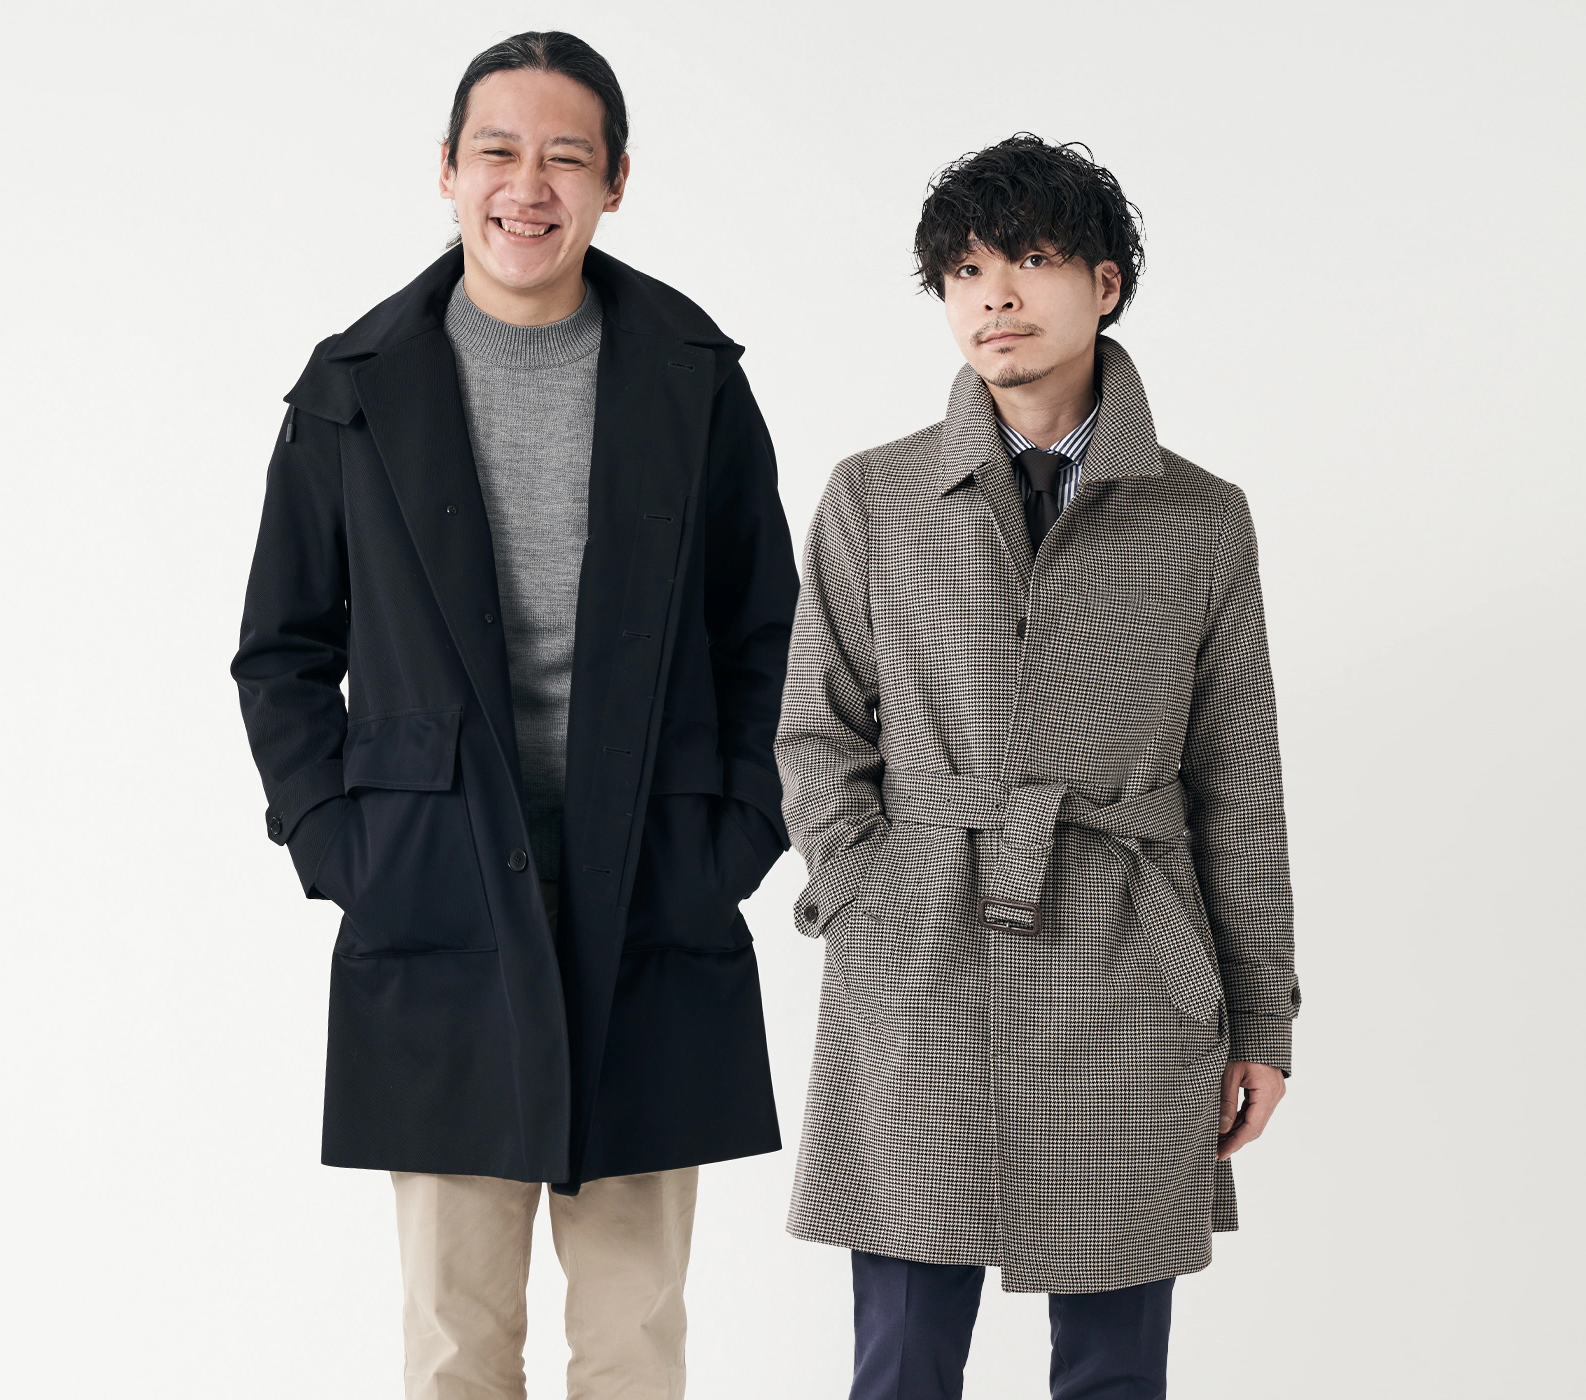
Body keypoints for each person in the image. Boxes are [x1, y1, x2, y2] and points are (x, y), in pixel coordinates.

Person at [230, 31, 797, 1400]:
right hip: (436, 900)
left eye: (564, 157)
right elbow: (282, 649)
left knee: (633, 1341)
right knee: (454, 1343)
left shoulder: (693, 377)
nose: (526, 187)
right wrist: (344, 843)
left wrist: (733, 836)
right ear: (446, 169)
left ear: (614, 182)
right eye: (497, 152)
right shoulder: (354, 385)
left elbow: (771, 634)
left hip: (650, 891)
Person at [774, 135, 1300, 1399]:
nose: (994, 295)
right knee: (902, 1359)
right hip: (921, 955)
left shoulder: (1198, 515)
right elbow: (815, 728)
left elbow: (1238, 777)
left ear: (1104, 284)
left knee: (1114, 1364)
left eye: (1031, 258)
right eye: (964, 270)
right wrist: (866, 887)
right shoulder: (874, 495)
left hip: (1128, 961)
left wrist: (1262, 1017)